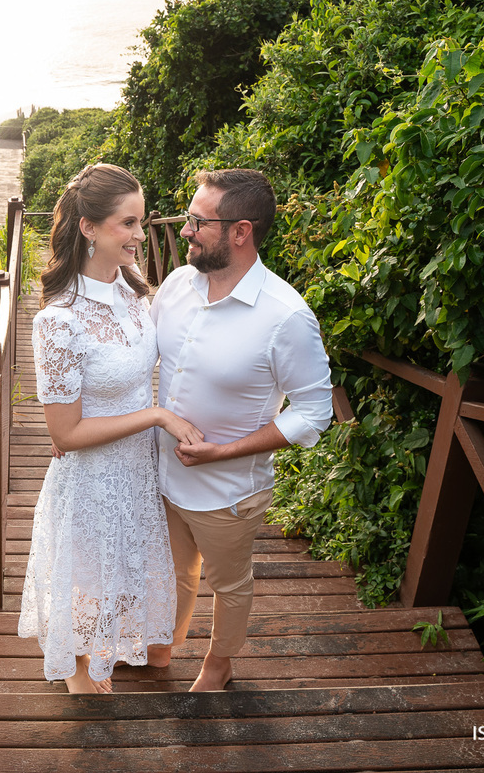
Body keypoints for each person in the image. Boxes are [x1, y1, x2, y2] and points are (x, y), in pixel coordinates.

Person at [18, 163, 204, 694]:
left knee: (125, 565)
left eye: (142, 222)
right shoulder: (58, 321)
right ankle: (78, 665)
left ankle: (115, 648)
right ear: (89, 228)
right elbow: (65, 435)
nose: (140, 235)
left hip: (141, 469)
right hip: (93, 474)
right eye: (128, 223)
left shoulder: (133, 289)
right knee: (89, 570)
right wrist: (158, 415)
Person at [148, 168, 333, 692]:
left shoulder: (286, 316)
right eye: (186, 218)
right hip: (162, 474)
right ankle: (162, 646)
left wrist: (225, 451)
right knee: (173, 570)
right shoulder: (177, 284)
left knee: (228, 584)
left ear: (240, 232)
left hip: (229, 492)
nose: (185, 230)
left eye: (197, 221)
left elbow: (314, 411)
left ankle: (219, 663)